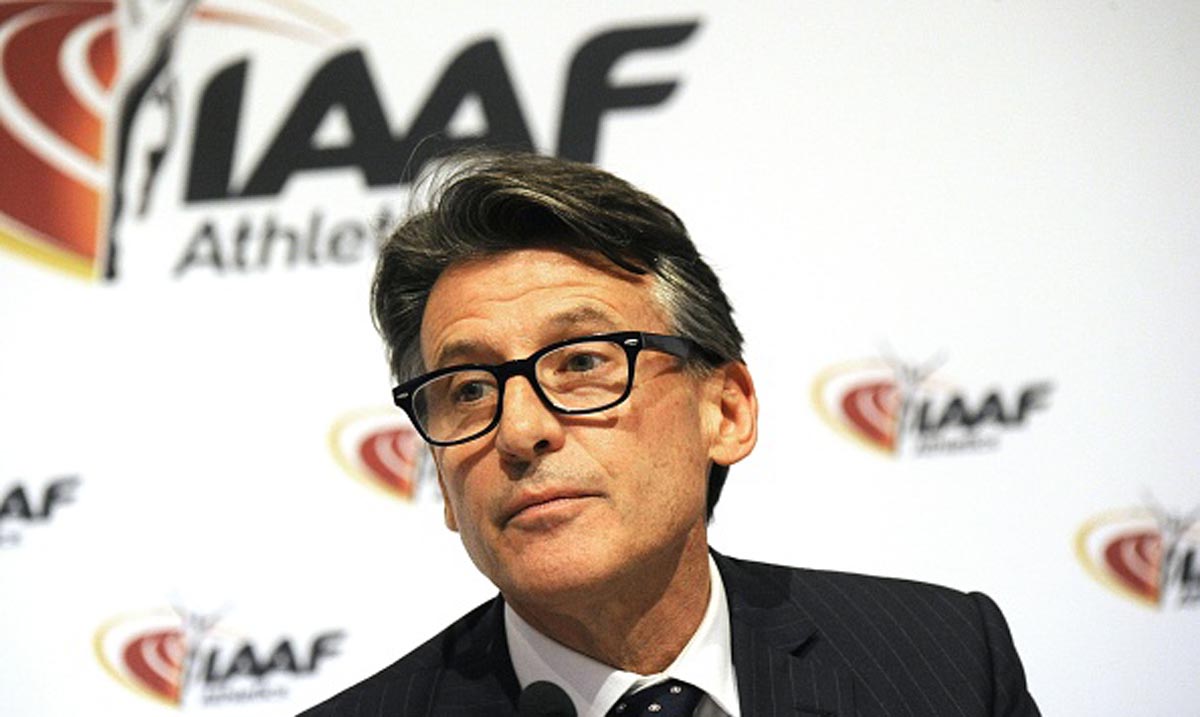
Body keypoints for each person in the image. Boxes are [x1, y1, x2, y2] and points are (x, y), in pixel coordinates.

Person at [300, 151, 1040, 717]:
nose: (521, 430)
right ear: (441, 477)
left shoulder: (942, 657)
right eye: (468, 389)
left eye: (582, 362)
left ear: (727, 410)